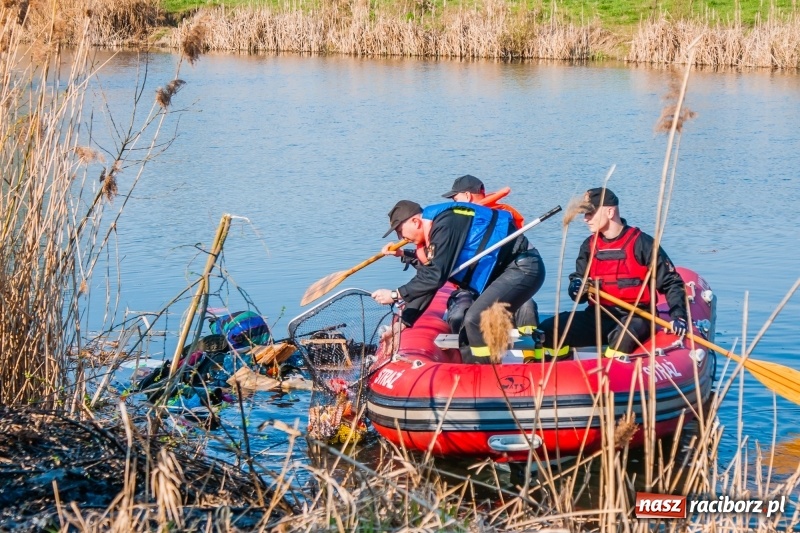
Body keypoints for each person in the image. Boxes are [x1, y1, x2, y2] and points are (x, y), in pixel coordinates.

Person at [371, 199, 545, 364]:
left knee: (475, 319)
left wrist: (395, 294)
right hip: (505, 272)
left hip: (524, 268)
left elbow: (435, 276)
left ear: (415, 222)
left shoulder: (445, 224)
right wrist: (402, 325)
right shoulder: (435, 233)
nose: (401, 238)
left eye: (400, 231)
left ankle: (488, 376)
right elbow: (429, 283)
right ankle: (475, 372)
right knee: (466, 327)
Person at [538, 187, 688, 359]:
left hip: (638, 316)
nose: (585, 219)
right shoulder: (588, 246)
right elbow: (579, 294)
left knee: (622, 337)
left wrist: (679, 316)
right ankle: (557, 369)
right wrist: (576, 287)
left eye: (590, 214)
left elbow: (671, 282)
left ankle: (609, 376)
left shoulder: (643, 243)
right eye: (584, 214)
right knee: (550, 329)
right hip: (599, 316)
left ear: (609, 212)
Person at [441, 175, 539, 335]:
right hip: (469, 286)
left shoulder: (503, 217)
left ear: (467, 195)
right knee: (460, 313)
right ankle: (464, 352)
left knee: (527, 306)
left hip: (504, 282)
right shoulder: (457, 221)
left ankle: (530, 353)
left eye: (455, 198)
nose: (454, 203)